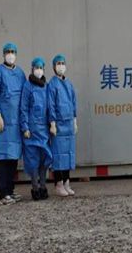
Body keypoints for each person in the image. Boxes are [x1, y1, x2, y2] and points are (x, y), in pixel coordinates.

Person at [0, 42, 26, 205]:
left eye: (13, 52)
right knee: (4, 158)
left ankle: (10, 190)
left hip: (16, 123)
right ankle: (3, 193)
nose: (10, 54)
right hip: (3, 122)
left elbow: (25, 96)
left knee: (13, 157)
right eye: (8, 52)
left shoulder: (20, 73)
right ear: (3, 54)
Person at [20, 57, 52, 200]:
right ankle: (35, 188)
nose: (39, 70)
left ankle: (43, 186)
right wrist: (25, 127)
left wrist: (52, 124)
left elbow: (50, 107)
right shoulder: (28, 86)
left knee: (44, 160)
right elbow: (24, 108)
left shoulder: (46, 86)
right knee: (33, 161)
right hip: (31, 131)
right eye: (36, 68)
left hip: (44, 130)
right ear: (32, 69)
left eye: (41, 68)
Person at [47, 54, 78, 197]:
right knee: (58, 155)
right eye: (58, 63)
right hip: (58, 125)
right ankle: (58, 184)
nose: (61, 66)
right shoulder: (52, 84)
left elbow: (73, 103)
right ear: (54, 67)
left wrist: (75, 120)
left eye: (62, 63)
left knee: (68, 154)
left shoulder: (69, 84)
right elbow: (51, 105)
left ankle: (66, 182)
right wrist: (52, 123)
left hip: (69, 124)